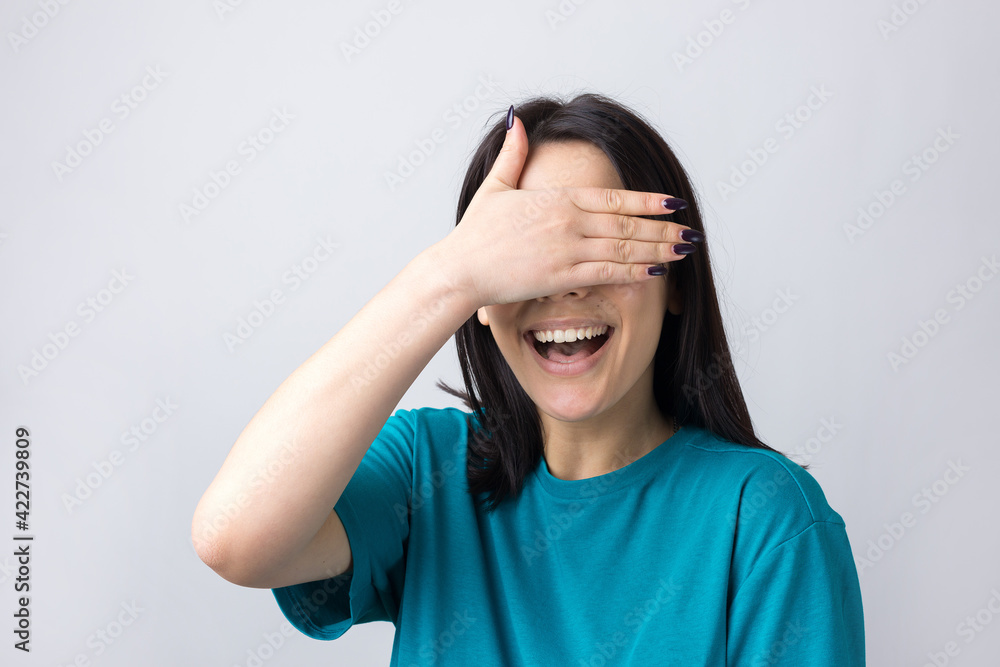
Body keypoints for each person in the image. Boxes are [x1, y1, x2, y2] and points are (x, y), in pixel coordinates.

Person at [192, 93, 865, 665]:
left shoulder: (766, 519)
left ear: (676, 280)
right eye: (528, 254)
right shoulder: (427, 470)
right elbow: (232, 537)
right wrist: (447, 276)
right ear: (482, 299)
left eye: (595, 246)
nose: (562, 288)